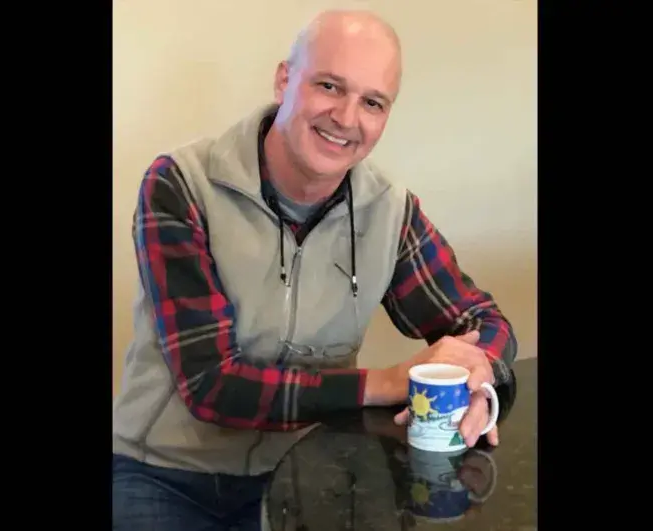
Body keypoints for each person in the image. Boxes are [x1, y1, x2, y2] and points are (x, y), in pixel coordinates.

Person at [112, 8, 517, 531]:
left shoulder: (390, 211)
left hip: (310, 471)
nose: (346, 118)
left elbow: (483, 320)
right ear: (285, 80)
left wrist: (479, 373)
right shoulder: (180, 185)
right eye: (329, 86)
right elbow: (212, 385)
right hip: (166, 474)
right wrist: (386, 383)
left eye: (372, 102)